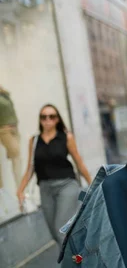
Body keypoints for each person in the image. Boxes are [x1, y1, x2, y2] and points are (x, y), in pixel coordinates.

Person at [16, 104, 92, 245]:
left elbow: (79, 163)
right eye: (44, 117)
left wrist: (93, 185)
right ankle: (78, 256)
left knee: (60, 230)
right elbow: (30, 168)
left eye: (52, 116)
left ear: (57, 119)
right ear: (40, 120)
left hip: (67, 186)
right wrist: (20, 190)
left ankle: (73, 263)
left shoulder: (66, 137)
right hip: (45, 188)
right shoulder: (34, 141)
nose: (48, 120)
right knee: (55, 234)